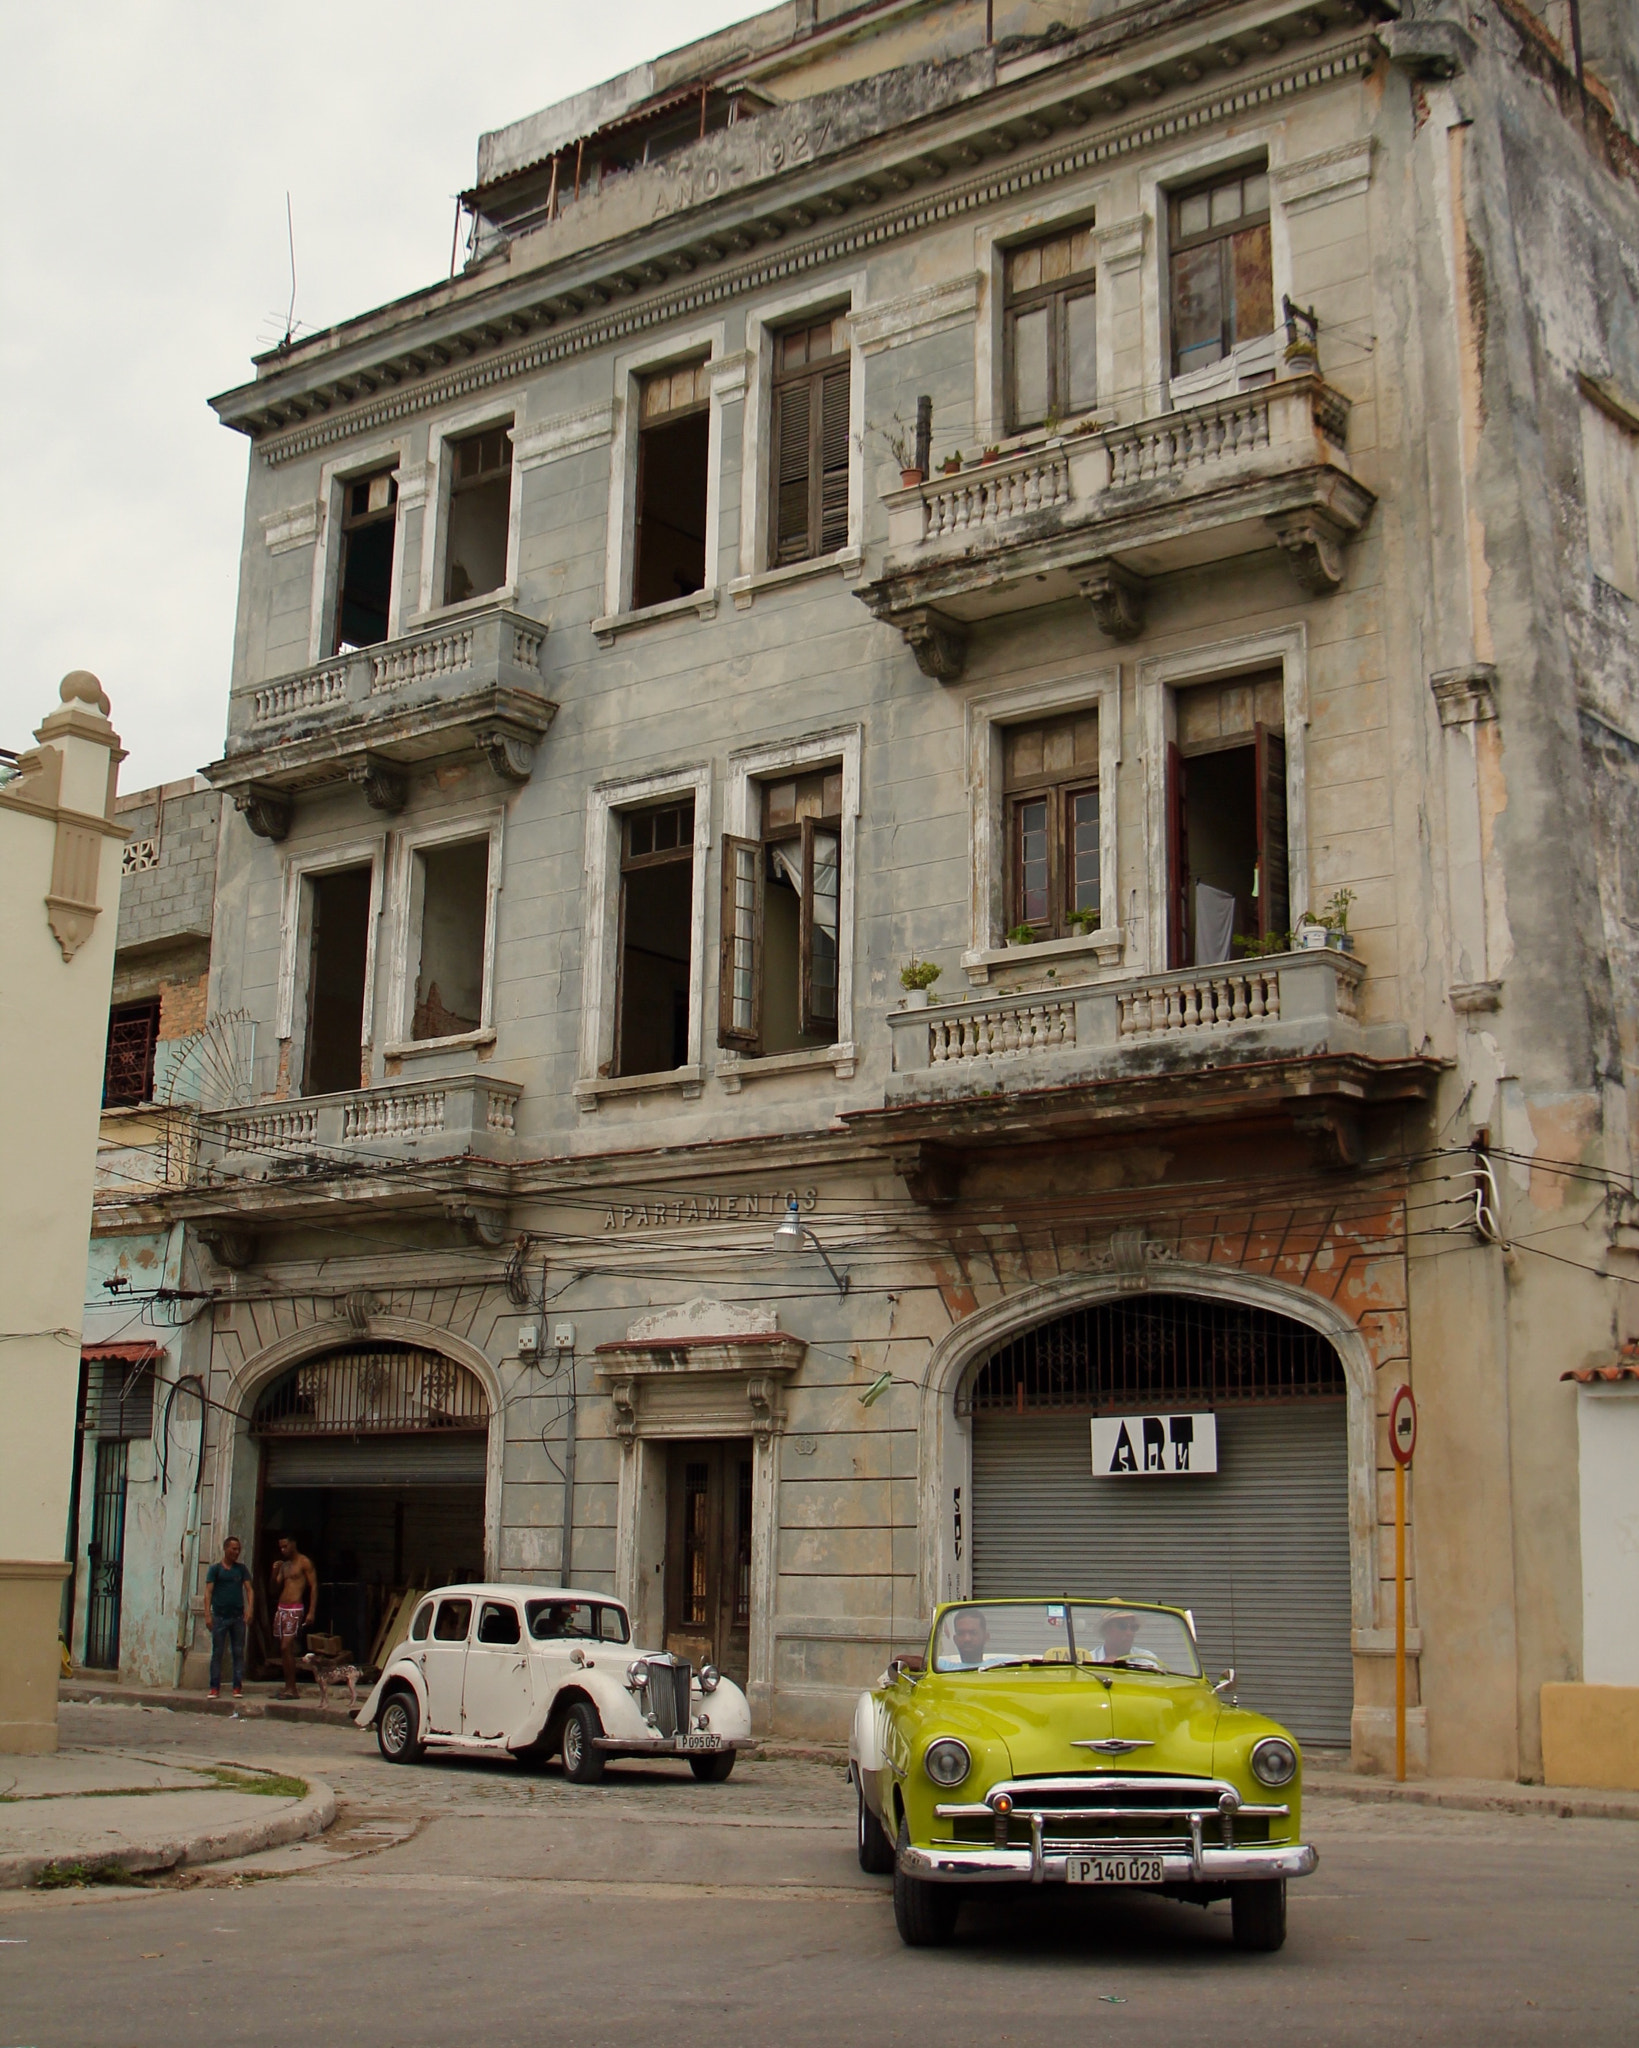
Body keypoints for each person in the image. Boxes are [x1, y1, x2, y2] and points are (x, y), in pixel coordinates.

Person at [204, 1536, 253, 1700]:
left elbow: (249, 1590)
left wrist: (250, 1609)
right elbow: (208, 1592)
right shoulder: (215, 1570)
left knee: (238, 1652)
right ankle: (214, 1687)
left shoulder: (241, 1570)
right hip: (219, 1617)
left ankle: (237, 1686)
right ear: (225, 1549)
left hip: (237, 1617)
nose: (236, 1552)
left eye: (238, 1549)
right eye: (233, 1549)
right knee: (217, 1652)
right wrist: (207, 1614)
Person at [270, 1535, 317, 1700]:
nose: (283, 1550)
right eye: (280, 1547)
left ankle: (293, 1688)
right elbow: (274, 1589)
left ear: (293, 1544)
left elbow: (314, 1587)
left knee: (285, 1646)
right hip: (281, 1608)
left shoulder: (304, 1562)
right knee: (284, 1650)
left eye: (285, 1546)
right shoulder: (284, 1566)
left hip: (295, 1608)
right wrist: (275, 1571)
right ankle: (288, 1687)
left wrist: (311, 1611)